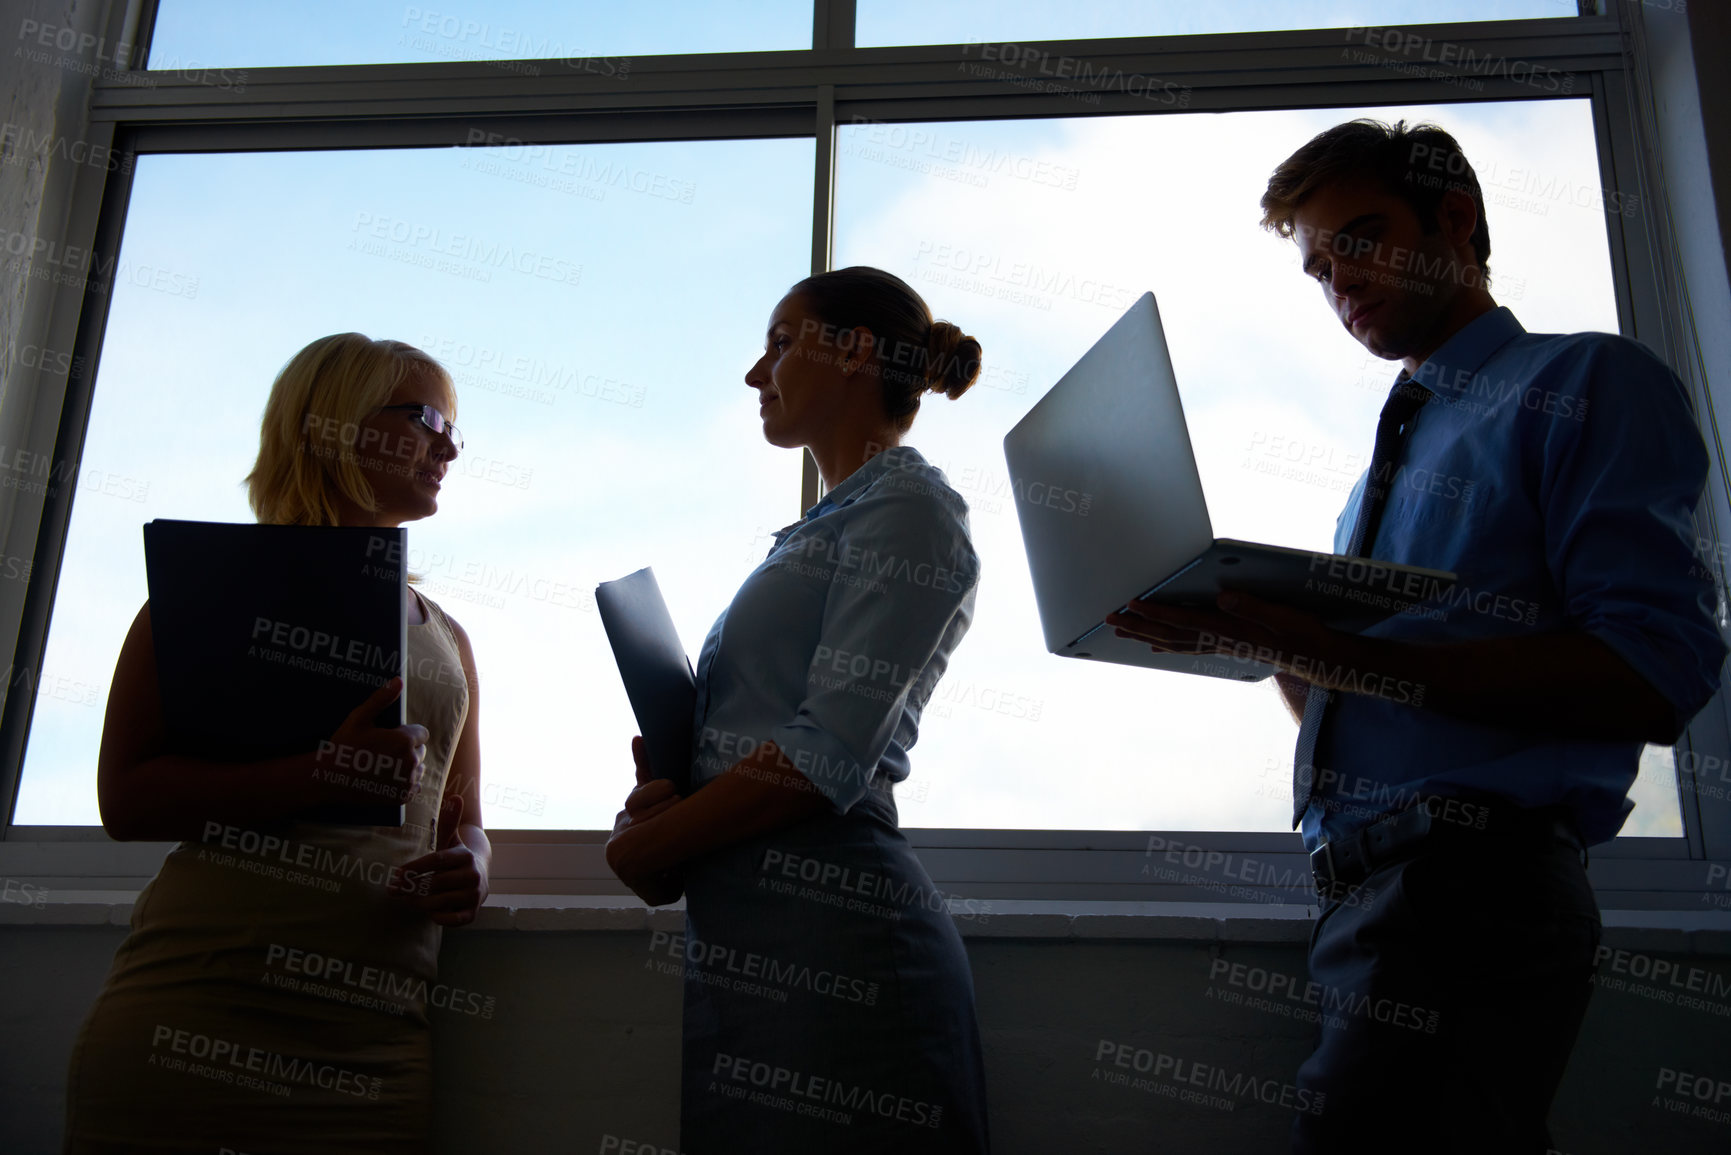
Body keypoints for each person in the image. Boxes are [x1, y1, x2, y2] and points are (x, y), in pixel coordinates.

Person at [1108, 119, 1726, 1153]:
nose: (1339, 277)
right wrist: (1261, 647)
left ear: (1457, 219)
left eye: (1361, 235)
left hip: (1472, 890)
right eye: (1317, 266)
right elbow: (1362, 700)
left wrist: (1326, 650)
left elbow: (1654, 675)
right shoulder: (1371, 488)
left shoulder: (1586, 384)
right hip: (1372, 898)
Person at [64, 333, 490, 1154]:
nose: (449, 444)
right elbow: (126, 800)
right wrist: (318, 773)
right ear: (334, 424)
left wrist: (474, 864)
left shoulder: (451, 639)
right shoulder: (201, 597)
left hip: (373, 1044)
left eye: (455, 429)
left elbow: (463, 815)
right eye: (427, 416)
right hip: (188, 1015)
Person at [605, 266, 992, 1152]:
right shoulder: (835, 520)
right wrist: (675, 799)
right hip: (757, 945)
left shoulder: (909, 510)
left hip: (838, 942)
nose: (755, 373)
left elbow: (827, 753)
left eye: (780, 343)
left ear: (853, 349)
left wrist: (648, 844)